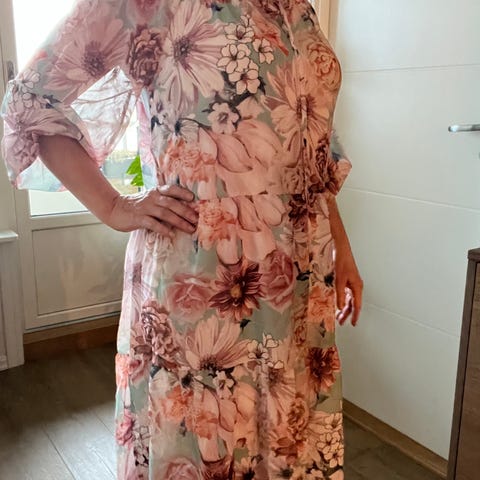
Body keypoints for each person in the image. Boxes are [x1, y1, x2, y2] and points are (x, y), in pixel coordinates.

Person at [1, 0, 363, 478]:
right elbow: (31, 98)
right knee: (208, 440)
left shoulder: (298, 8)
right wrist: (114, 206)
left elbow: (313, 148)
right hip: (204, 279)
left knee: (287, 437)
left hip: (300, 278)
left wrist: (342, 247)